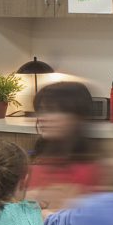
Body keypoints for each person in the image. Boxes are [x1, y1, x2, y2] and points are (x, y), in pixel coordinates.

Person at [25, 80, 101, 208]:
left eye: (53, 110)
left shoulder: (92, 171)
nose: (42, 118)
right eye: (41, 110)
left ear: (78, 117)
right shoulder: (36, 164)